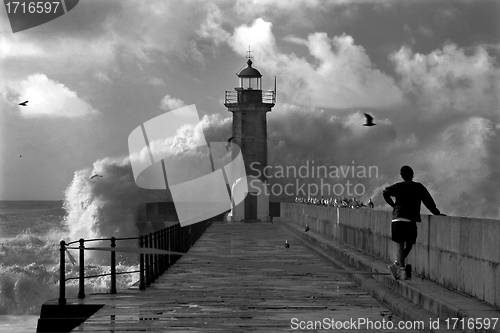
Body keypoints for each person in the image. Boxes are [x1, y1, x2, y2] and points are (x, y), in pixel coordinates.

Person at [383, 165, 444, 280]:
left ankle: (399, 267)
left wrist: (393, 205)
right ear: (413, 174)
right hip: (410, 220)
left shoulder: (398, 186)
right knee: (410, 244)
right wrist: (436, 213)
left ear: (401, 176)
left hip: (397, 219)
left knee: (400, 245)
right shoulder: (418, 187)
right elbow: (428, 201)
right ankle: (399, 267)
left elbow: (385, 192)